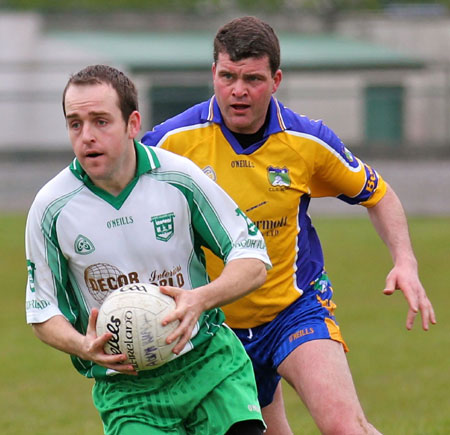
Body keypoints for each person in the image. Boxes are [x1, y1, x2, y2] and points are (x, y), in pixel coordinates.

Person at [141, 16, 437, 435]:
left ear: (276, 79)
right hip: (215, 325)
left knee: (343, 427)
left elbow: (379, 194)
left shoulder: (306, 141)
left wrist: (405, 261)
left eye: (253, 79)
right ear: (213, 74)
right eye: (227, 76)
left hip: (293, 308)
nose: (238, 90)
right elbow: (121, 185)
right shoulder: (174, 141)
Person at [25, 64, 272, 435]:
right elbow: (42, 309)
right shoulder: (52, 208)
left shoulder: (180, 178)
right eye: (75, 124)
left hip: (208, 362)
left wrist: (200, 299)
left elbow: (252, 257)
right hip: (128, 388)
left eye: (100, 121)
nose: (87, 136)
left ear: (132, 123)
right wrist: (82, 344)